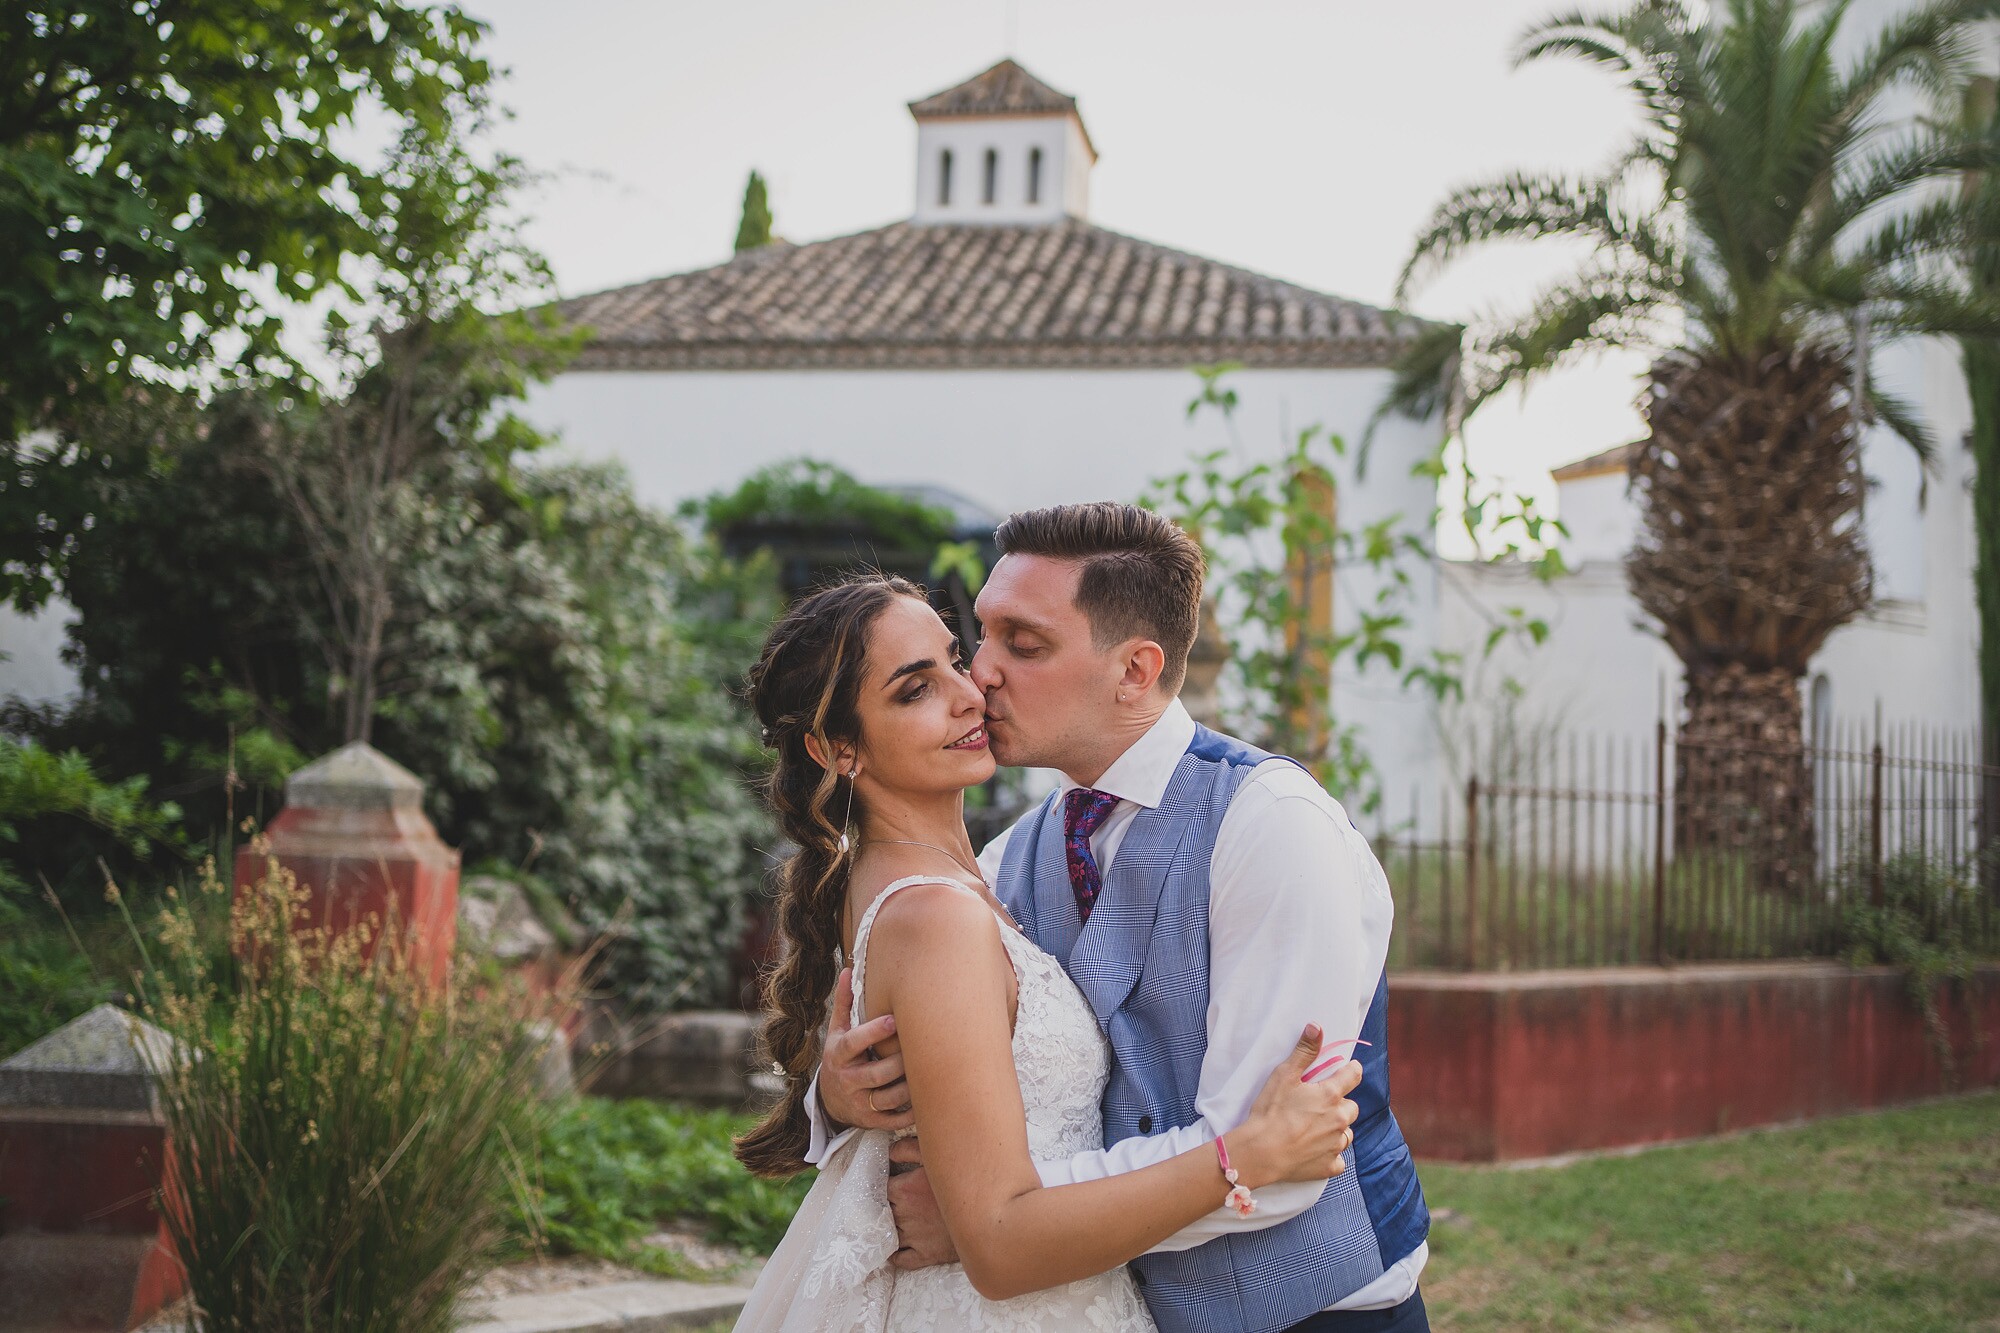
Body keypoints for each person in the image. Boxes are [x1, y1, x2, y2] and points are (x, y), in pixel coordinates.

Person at [808, 504, 1431, 1333]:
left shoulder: (1272, 825)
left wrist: (991, 1222)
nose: (980, 675)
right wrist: (840, 1094)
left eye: (1023, 645)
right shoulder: (1006, 863)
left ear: (1136, 669)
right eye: (979, 638)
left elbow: (1284, 1156)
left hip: (1320, 1313)